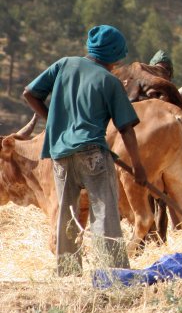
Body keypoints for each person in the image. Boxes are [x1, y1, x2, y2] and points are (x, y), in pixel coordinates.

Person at [22, 25, 148, 276]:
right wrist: (138, 167)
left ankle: (67, 272)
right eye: (118, 58)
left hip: (60, 154)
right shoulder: (109, 81)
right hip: (93, 154)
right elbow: (126, 128)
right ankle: (110, 274)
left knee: (66, 213)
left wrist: (54, 123)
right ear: (113, 55)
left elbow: (29, 93)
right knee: (103, 213)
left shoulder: (64, 64)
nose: (118, 63)